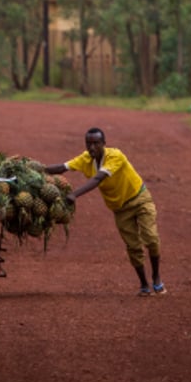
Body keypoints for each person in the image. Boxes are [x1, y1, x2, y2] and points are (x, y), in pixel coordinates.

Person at [46, 127, 165, 296]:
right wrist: (36, 169)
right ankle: (144, 284)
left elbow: (97, 179)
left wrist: (74, 195)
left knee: (151, 238)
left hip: (139, 198)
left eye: (96, 143)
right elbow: (62, 167)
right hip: (119, 208)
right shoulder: (86, 158)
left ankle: (156, 275)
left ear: (104, 144)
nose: (92, 147)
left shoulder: (115, 156)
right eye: (89, 143)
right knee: (133, 246)